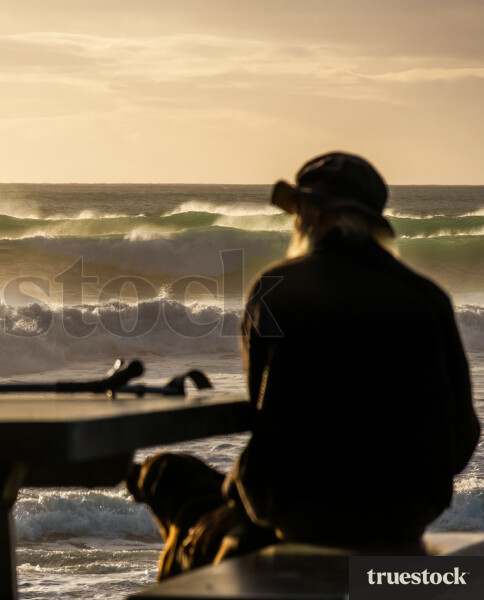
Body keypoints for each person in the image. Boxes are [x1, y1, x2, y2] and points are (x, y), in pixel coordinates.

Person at [129, 151, 480, 579]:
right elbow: (463, 438)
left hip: (304, 516)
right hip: (406, 516)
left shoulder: (277, 290)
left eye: (298, 212)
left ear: (313, 214)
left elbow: (271, 419)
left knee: (191, 516)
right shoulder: (428, 297)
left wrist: (236, 500)